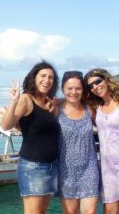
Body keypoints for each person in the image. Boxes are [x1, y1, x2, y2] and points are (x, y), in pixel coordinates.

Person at [1, 61, 60, 214]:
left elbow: (36, 129)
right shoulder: (26, 99)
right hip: (33, 166)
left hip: (52, 165)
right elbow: (6, 125)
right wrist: (13, 101)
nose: (47, 80)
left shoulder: (48, 102)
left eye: (51, 77)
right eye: (43, 76)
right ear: (34, 77)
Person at [56, 71, 99, 214]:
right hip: (65, 171)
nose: (74, 92)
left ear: (83, 90)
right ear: (63, 89)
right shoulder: (55, 109)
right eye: (70, 88)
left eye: (78, 88)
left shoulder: (90, 109)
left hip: (89, 169)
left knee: (90, 212)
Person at [84, 68, 119, 214]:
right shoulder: (97, 107)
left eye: (97, 81)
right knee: (110, 209)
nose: (95, 87)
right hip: (107, 167)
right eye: (90, 86)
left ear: (106, 79)